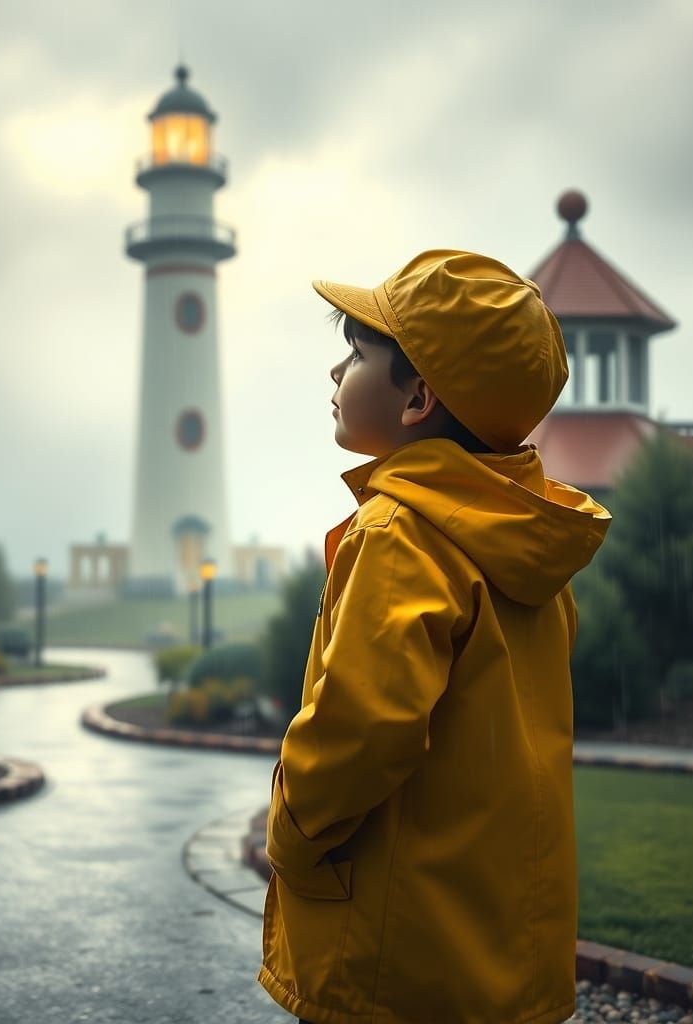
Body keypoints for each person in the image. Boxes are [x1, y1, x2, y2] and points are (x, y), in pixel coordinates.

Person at [256, 250, 611, 1024]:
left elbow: (360, 729)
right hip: (496, 943)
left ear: (417, 398)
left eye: (355, 353)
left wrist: (290, 832)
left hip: (399, 955)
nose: (335, 373)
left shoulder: (400, 534)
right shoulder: (527, 537)